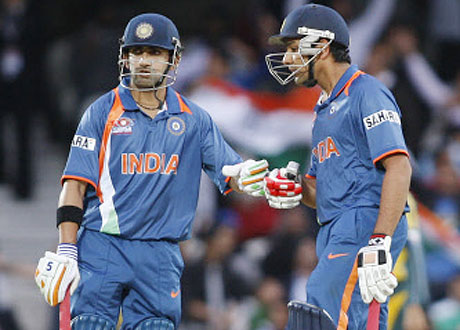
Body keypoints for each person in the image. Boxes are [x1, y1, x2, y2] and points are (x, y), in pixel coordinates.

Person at [33, 13, 269, 330]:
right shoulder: (102, 111)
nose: (143, 61)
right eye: (136, 52)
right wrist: (66, 250)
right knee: (90, 324)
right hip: (104, 245)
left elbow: (231, 172)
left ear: (174, 60)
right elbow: (74, 185)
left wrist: (250, 177)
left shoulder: (193, 119)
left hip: (161, 252)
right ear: (125, 58)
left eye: (154, 52)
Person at [262, 4, 411, 329]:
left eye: (292, 48)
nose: (286, 59)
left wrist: (379, 239)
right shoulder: (324, 110)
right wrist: (295, 186)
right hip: (335, 227)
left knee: (321, 311)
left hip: (364, 222)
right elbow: (320, 191)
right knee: (361, 321)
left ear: (323, 46)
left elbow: (399, 167)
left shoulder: (366, 92)